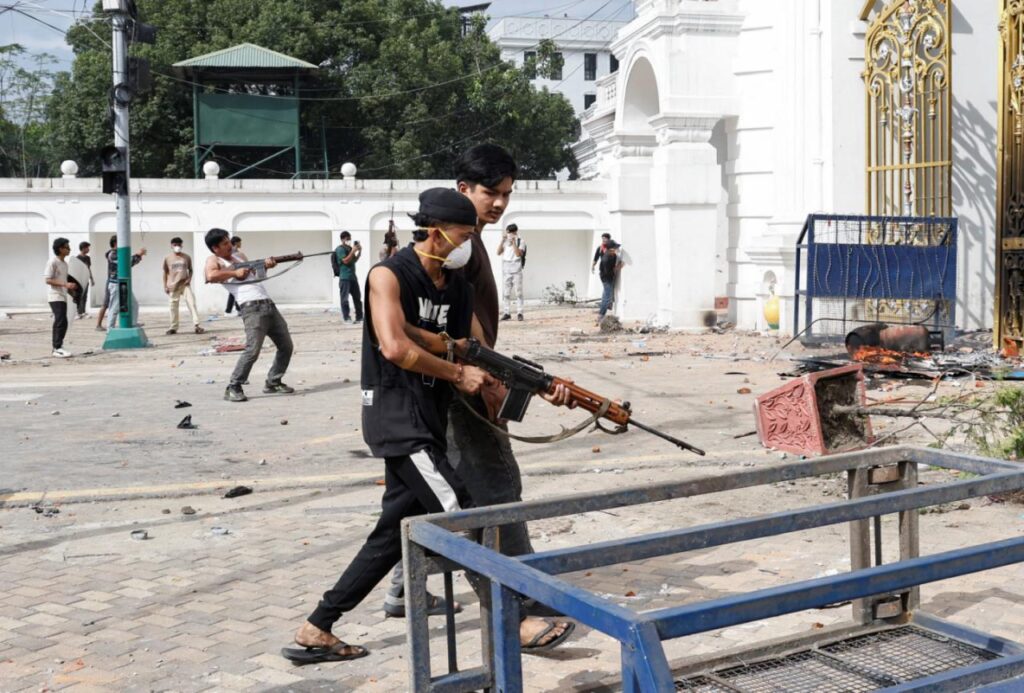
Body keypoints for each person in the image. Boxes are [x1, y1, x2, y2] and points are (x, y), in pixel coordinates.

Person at [282, 188, 574, 665]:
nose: (469, 244)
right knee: (466, 516)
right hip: (397, 417)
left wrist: (538, 385)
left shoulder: (456, 286)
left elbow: (470, 348)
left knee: (387, 537)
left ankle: (318, 625)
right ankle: (514, 619)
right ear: (435, 232)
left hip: (430, 420)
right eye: (464, 234)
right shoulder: (387, 275)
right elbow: (396, 347)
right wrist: (459, 373)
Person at [204, 228, 294, 403]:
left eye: (229, 241)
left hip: (267, 304)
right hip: (251, 308)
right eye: (224, 243)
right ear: (215, 248)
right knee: (252, 350)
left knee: (286, 346)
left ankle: (273, 381)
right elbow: (211, 275)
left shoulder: (240, 257)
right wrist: (233, 273)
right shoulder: (214, 260)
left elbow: (255, 278)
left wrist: (265, 267)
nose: (229, 246)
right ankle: (233, 386)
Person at [97, 235, 146, 331]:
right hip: (115, 284)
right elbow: (127, 262)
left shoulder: (119, 253)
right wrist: (139, 255)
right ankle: (110, 329)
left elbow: (129, 263)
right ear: (115, 243)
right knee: (114, 307)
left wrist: (138, 256)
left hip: (123, 283)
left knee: (134, 304)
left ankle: (133, 323)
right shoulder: (112, 254)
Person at [162, 238, 205, 335]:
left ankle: (197, 325)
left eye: (179, 244)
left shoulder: (186, 257)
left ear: (182, 245)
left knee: (192, 304)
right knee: (173, 307)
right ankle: (173, 327)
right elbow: (165, 272)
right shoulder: (167, 258)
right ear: (171, 245)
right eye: (175, 245)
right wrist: (165, 285)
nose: (177, 246)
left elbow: (191, 270)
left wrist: (189, 279)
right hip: (173, 286)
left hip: (184, 285)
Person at [44, 237, 77, 358]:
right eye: (67, 247)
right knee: (60, 320)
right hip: (55, 296)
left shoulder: (64, 263)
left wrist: (71, 290)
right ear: (60, 249)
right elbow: (47, 279)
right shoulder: (52, 262)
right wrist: (64, 284)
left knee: (62, 321)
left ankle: (58, 346)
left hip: (62, 295)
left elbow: (64, 280)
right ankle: (57, 348)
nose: (70, 249)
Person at [330, 231, 363, 324]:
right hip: (344, 278)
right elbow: (345, 261)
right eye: (347, 239)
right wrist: (353, 251)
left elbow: (354, 260)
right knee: (344, 299)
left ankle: (359, 317)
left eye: (350, 239)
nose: (349, 240)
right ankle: (346, 318)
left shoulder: (349, 248)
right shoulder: (340, 249)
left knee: (357, 298)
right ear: (343, 239)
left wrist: (359, 251)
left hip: (353, 277)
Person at [496, 222, 526, 321]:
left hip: (516, 268)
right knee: (506, 293)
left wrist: (513, 242)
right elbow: (498, 252)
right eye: (508, 232)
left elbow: (518, 254)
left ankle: (520, 312)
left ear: (515, 232)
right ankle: (506, 312)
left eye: (510, 232)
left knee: (518, 292)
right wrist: (502, 240)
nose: (509, 234)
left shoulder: (520, 241)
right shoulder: (505, 241)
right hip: (506, 268)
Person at [598, 242, 623, 322]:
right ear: (611, 249)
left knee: (606, 295)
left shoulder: (613, 255)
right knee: (607, 297)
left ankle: (606, 309)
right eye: (615, 248)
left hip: (608, 277)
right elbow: (608, 271)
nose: (617, 249)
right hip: (606, 278)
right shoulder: (606, 258)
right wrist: (618, 267)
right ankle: (601, 316)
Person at [71, 241, 94, 319]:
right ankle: (77, 312)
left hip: (85, 280)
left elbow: (88, 269)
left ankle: (83, 312)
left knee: (85, 296)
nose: (88, 249)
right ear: (83, 248)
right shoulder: (77, 258)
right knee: (78, 296)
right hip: (79, 280)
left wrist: (91, 279)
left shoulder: (88, 258)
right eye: (87, 247)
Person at [225, 236, 243, 315]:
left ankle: (237, 309)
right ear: (236, 243)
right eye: (240, 242)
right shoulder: (232, 251)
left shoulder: (236, 251)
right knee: (233, 292)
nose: (241, 244)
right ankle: (228, 311)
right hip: (233, 273)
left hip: (236, 273)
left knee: (235, 291)